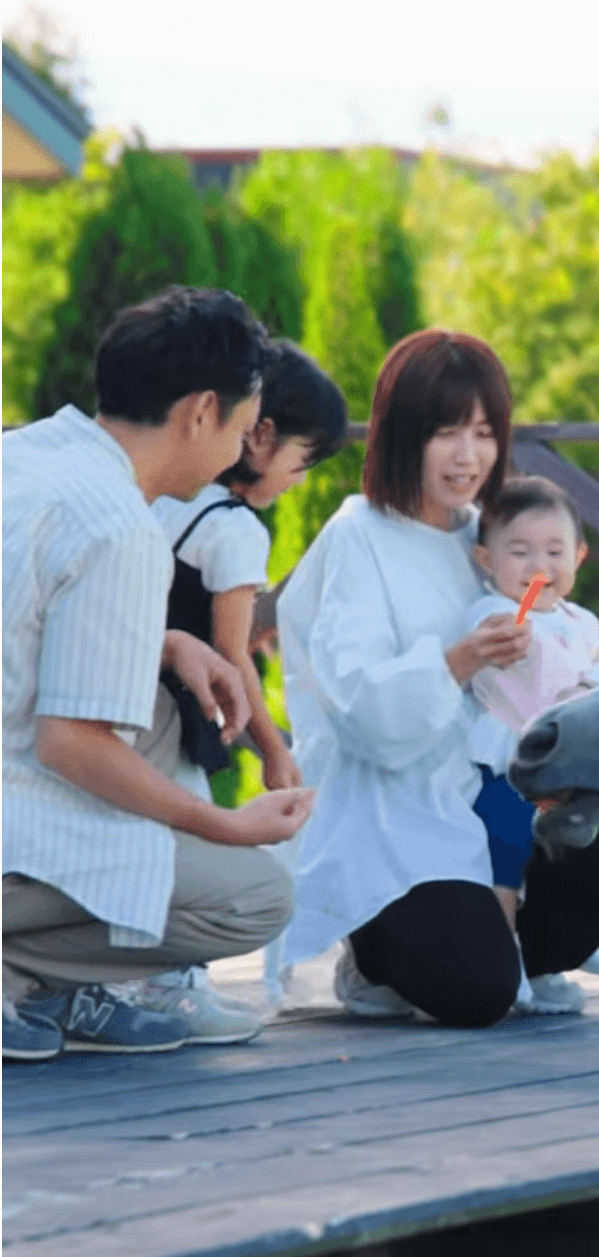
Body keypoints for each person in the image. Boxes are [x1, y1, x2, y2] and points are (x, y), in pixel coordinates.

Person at [276, 329, 599, 1028]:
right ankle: (373, 954)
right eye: (444, 432)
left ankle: (533, 954)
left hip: (505, 790)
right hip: (398, 812)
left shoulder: (492, 535)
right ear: (402, 434)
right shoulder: (359, 538)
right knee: (473, 992)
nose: (468, 457)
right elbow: (358, 709)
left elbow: (571, 646)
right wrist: (458, 660)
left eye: (484, 433)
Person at [2, 287, 316, 1061]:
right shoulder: (120, 526)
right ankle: (31, 976)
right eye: (244, 429)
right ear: (203, 411)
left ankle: (32, 984)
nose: (240, 450)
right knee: (255, 897)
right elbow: (71, 747)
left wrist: (170, 643)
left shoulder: (26, 454)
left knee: (162, 712)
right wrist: (225, 824)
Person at [138, 340, 349, 1037]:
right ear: (258, 437)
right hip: (177, 711)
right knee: (186, 841)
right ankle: (171, 989)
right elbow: (232, 660)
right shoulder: (234, 532)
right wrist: (272, 749)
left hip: (123, 693)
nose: (298, 479)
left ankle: (143, 985)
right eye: (301, 461)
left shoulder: (170, 498)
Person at [466, 477, 599, 1014]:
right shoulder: (492, 616)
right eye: (520, 551)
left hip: (570, 765)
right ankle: (502, 952)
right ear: (486, 559)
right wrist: (589, 680)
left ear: (578, 556)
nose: (540, 564)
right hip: (509, 764)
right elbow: (541, 682)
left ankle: (557, 951)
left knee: (585, 848)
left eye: (555, 551)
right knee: (508, 844)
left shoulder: (582, 621)